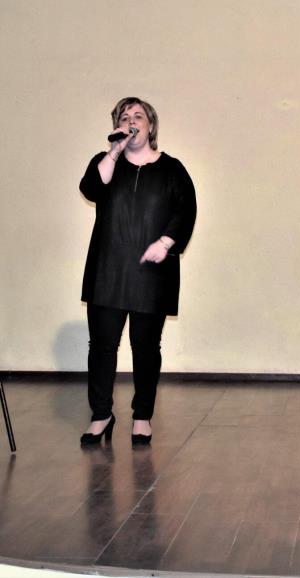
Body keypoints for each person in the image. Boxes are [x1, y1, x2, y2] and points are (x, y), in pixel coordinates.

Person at [78, 97, 196, 446]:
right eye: (124, 117)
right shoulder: (106, 163)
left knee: (146, 348)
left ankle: (142, 415)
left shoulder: (172, 169)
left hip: (151, 274)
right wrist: (114, 151)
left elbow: (186, 210)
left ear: (150, 125)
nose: (131, 121)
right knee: (102, 347)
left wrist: (166, 242)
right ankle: (101, 415)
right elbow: (90, 189)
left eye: (138, 116)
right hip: (108, 272)